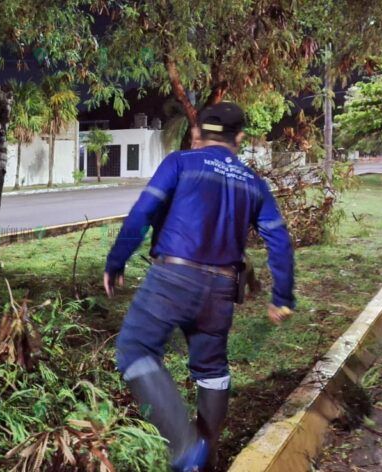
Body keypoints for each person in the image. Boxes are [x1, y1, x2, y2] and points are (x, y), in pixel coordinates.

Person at [103, 103, 296, 471]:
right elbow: (279, 240)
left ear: (200, 134)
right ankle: (209, 454)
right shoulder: (253, 182)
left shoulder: (180, 163)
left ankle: (187, 450)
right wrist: (282, 296)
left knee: (135, 348)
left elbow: (143, 211)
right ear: (238, 138)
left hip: (172, 278)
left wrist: (117, 261)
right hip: (221, 288)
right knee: (212, 369)